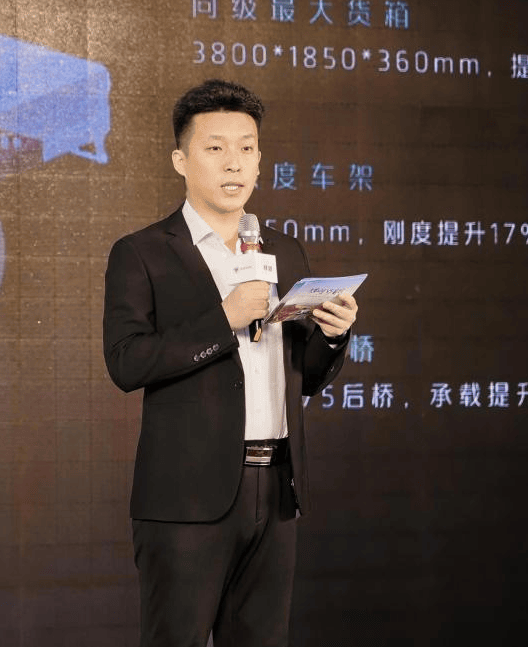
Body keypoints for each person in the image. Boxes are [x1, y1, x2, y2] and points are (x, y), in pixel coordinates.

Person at [103, 80, 357, 647]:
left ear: (260, 160)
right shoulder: (142, 252)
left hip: (278, 488)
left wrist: (333, 336)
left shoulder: (284, 250)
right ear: (181, 160)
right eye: (215, 148)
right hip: (186, 499)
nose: (234, 163)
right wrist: (224, 319)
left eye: (246, 148)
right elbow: (126, 362)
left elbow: (304, 375)